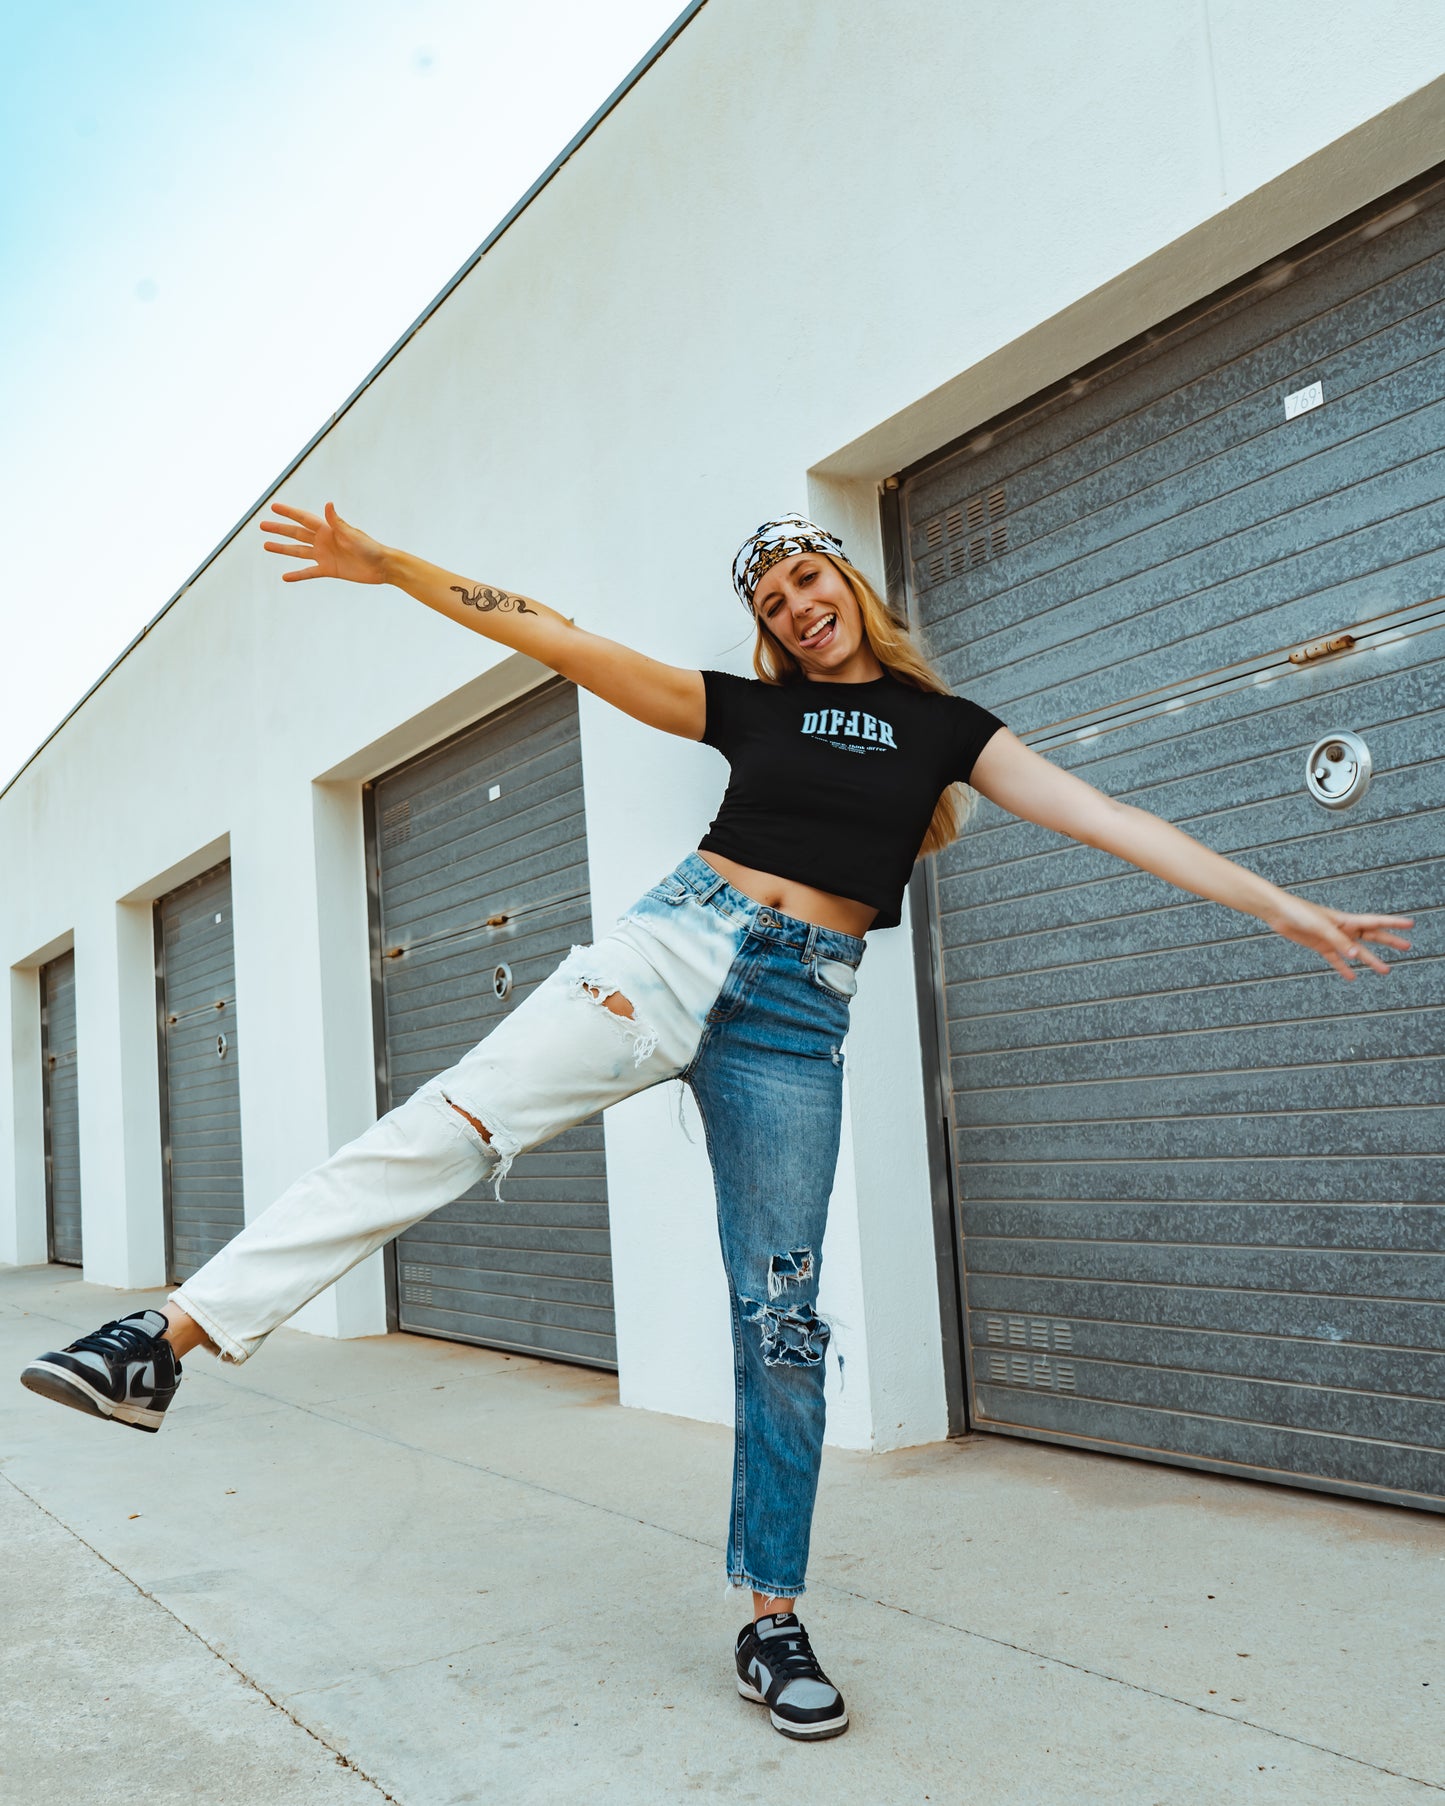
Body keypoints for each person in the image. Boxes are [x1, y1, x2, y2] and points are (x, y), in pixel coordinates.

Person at [21, 506, 1413, 1742]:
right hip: (668, 955)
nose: (796, 607)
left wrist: (1277, 902)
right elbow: (558, 639)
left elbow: (1104, 815)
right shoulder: (751, 714)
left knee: (783, 1319)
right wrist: (389, 568)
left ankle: (770, 1621)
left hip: (801, 1014)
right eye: (771, 606)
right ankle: (164, 1339)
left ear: (851, 587)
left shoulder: (949, 731)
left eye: (808, 579)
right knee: (443, 1126)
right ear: (768, 638)